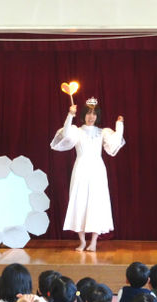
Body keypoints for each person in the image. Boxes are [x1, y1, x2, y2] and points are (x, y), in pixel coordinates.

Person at [51, 97, 125, 252]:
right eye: (89, 113)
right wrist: (70, 115)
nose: (91, 117)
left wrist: (120, 125)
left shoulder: (102, 132)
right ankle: (82, 241)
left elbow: (115, 143)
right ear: (83, 114)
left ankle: (94, 241)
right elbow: (64, 134)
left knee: (97, 203)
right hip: (81, 169)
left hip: (97, 170)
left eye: (94, 114)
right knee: (80, 202)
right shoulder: (76, 131)